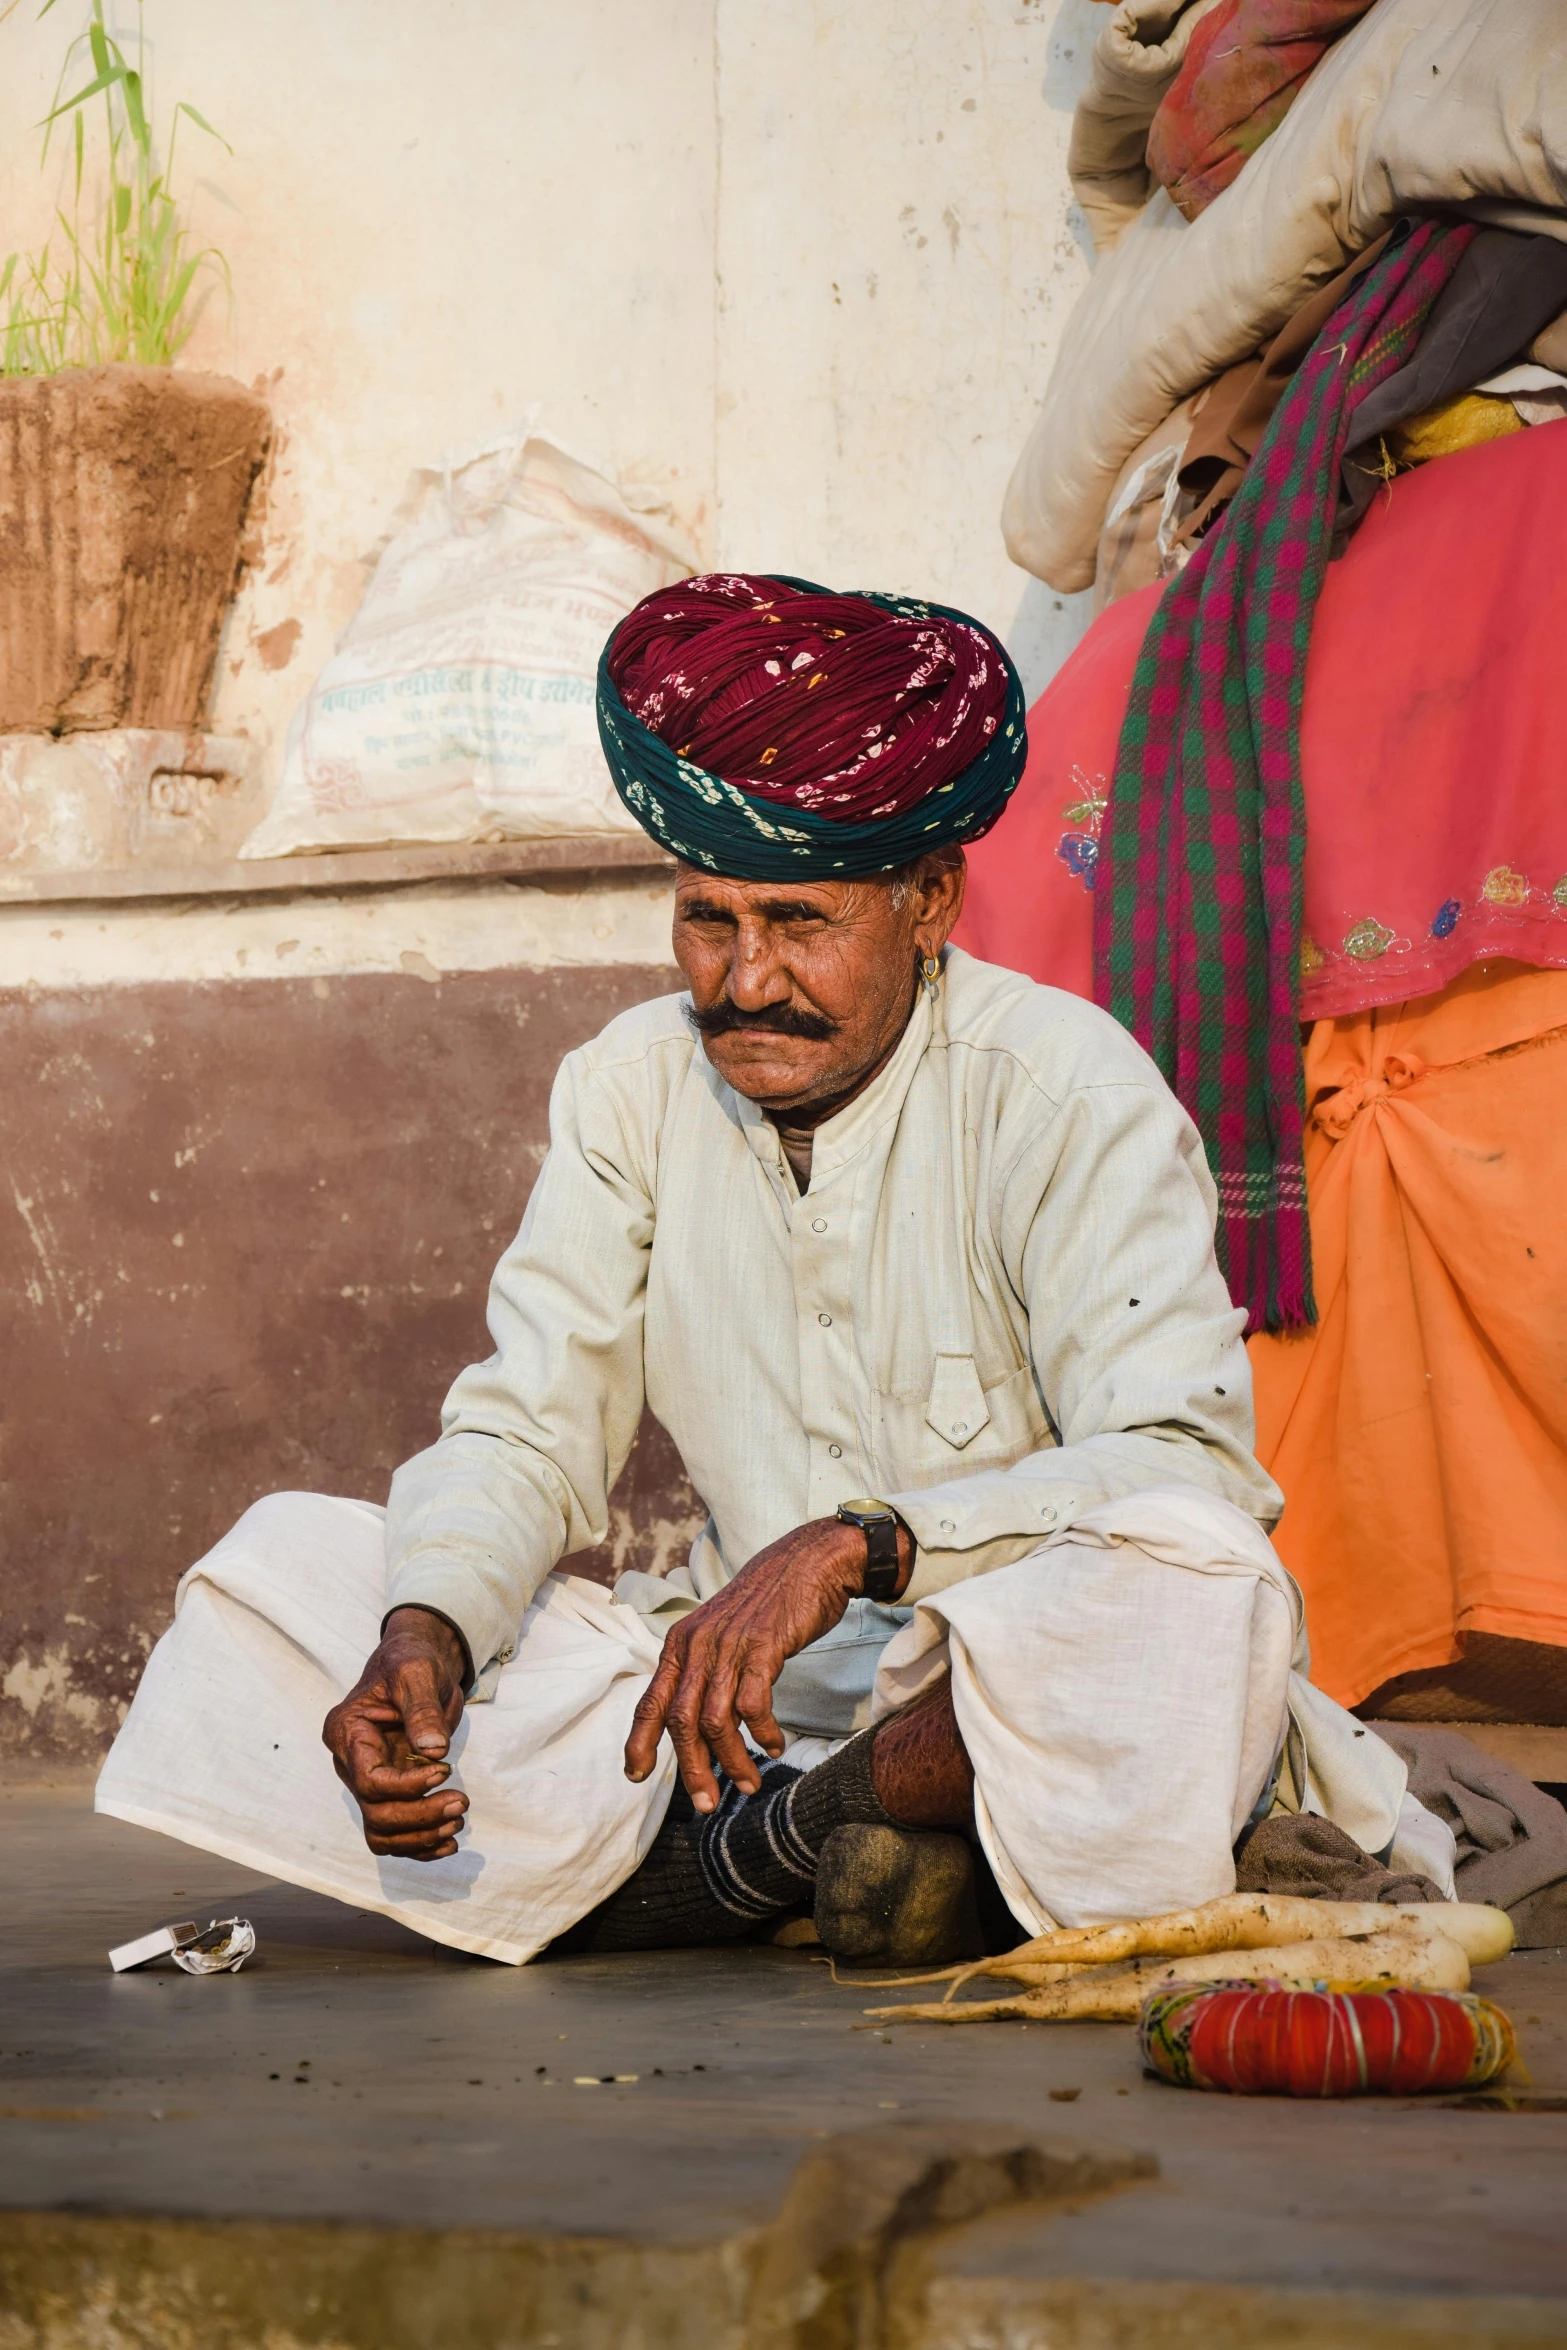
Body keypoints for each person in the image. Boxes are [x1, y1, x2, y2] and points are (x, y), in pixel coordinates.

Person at [96, 573, 1450, 1967]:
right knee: (286, 1583)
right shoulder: (627, 1087)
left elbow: (1189, 1469)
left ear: (930, 900)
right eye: (706, 920)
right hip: (728, 1714)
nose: (744, 980)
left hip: (1006, 1691)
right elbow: (524, 1422)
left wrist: (862, 1542)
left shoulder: (1063, 1092)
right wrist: (427, 1631)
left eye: (799, 924)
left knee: (1198, 1581)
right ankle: (837, 1841)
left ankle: (764, 1858)